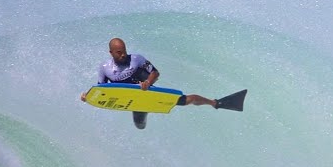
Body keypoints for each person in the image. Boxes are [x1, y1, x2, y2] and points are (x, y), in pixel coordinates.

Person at [80, 38, 245, 129]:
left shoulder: (136, 59)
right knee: (140, 126)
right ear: (111, 52)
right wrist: (87, 96)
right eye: (119, 52)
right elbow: (101, 89)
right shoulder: (104, 68)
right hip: (132, 100)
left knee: (185, 100)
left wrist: (147, 82)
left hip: (146, 92)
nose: (123, 55)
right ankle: (145, 112)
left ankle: (216, 103)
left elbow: (155, 72)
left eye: (124, 51)